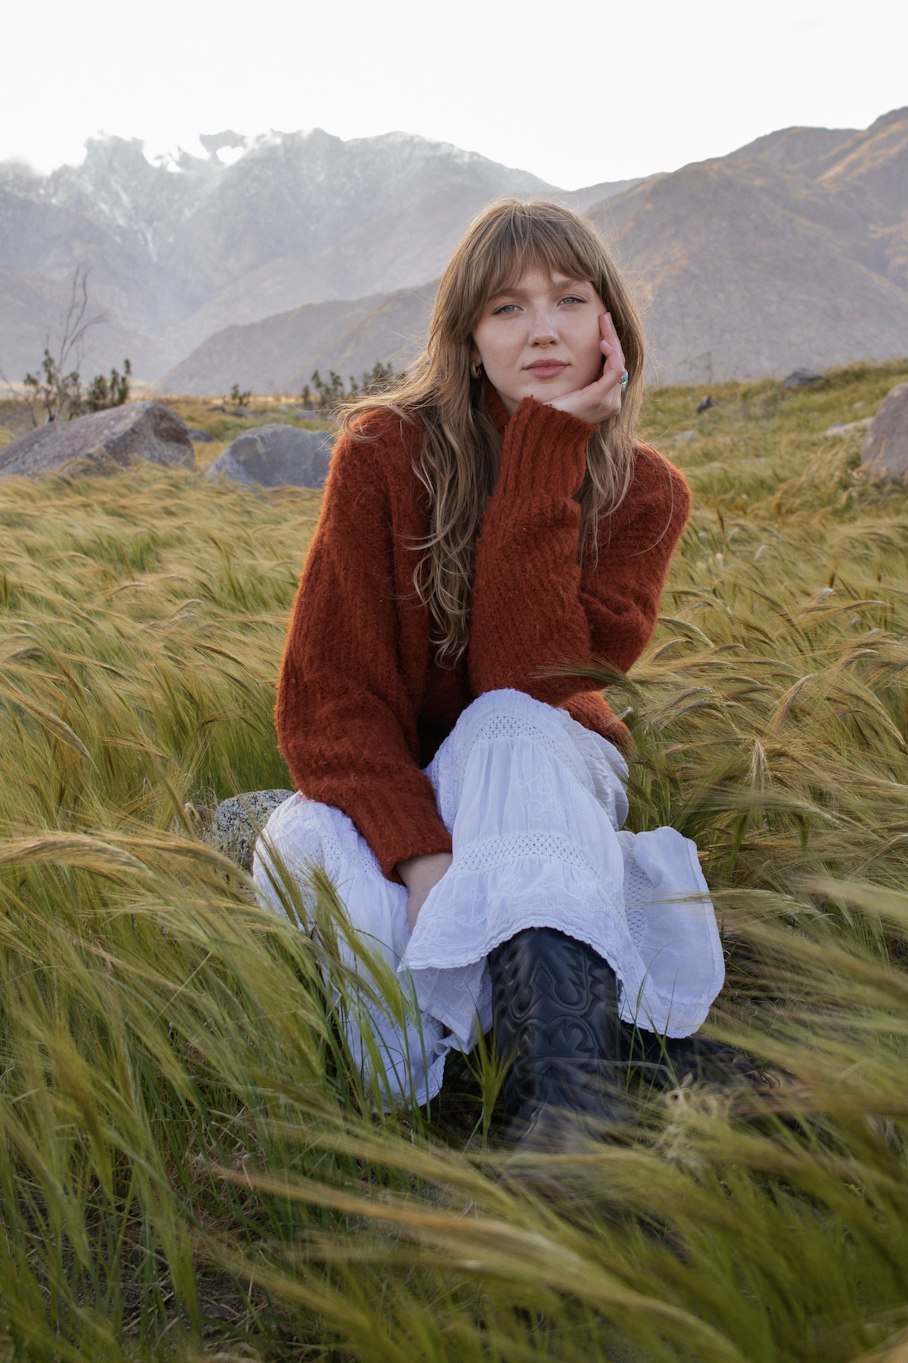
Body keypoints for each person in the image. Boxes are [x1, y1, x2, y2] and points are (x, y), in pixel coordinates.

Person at [253, 199, 724, 1146]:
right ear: (469, 339)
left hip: (548, 766)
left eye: (570, 298)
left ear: (611, 326)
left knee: (500, 725)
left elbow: (532, 677)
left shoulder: (645, 492)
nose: (543, 327)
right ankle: (480, 1063)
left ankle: (560, 1111)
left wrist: (549, 451)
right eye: (506, 308)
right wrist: (423, 854)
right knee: (301, 844)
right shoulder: (386, 453)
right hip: (410, 789)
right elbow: (327, 703)